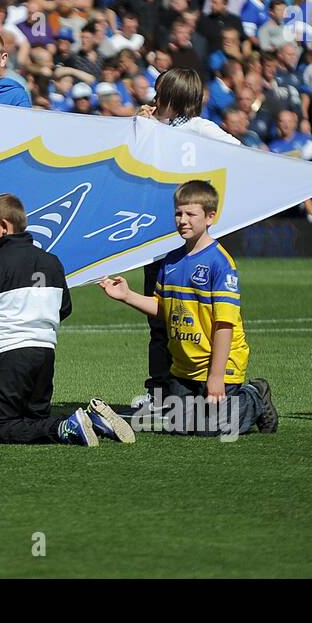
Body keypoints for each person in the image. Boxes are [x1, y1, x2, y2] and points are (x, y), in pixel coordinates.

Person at [99, 180, 279, 438]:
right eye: (178, 213)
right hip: (184, 367)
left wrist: (216, 376)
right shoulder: (170, 260)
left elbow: (224, 325)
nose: (182, 220)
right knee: (180, 427)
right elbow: (163, 308)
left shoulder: (220, 263)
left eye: (190, 214)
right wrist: (127, 295)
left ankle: (254, 396)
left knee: (213, 428)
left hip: (219, 364)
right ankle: (210, 401)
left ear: (210, 217)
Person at [0, 193, 133, 446]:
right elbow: (64, 307)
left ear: (4, 226)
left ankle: (66, 425)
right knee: (33, 420)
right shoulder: (51, 262)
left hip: (6, 355)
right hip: (44, 354)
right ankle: (91, 422)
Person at [132, 68, 239, 412]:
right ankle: (160, 390)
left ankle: (204, 378)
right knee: (159, 319)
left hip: (191, 243)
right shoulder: (150, 127)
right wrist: (138, 126)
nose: (153, 97)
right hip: (157, 238)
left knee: (194, 314)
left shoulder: (202, 130)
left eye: (159, 92)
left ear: (172, 97)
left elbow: (242, 153)